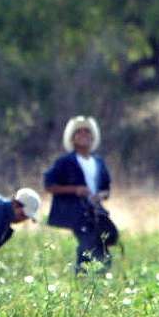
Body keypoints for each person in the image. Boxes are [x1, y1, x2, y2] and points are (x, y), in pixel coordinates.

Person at [44, 116, 114, 272]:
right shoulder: (65, 162)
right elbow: (49, 186)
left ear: (93, 136)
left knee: (104, 245)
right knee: (87, 245)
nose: (83, 135)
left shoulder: (98, 162)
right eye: (79, 132)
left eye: (87, 132)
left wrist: (100, 196)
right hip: (75, 212)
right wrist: (75, 190)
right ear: (72, 138)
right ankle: (82, 278)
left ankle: (95, 279)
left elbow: (106, 189)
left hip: (95, 211)